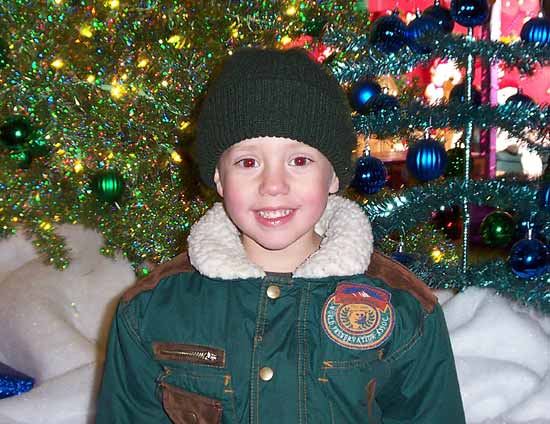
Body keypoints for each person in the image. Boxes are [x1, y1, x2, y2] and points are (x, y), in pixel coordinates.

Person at [96, 47, 466, 424]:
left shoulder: (404, 308)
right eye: (248, 162)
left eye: (300, 161)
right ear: (219, 178)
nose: (273, 185)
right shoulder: (151, 311)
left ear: (334, 175)